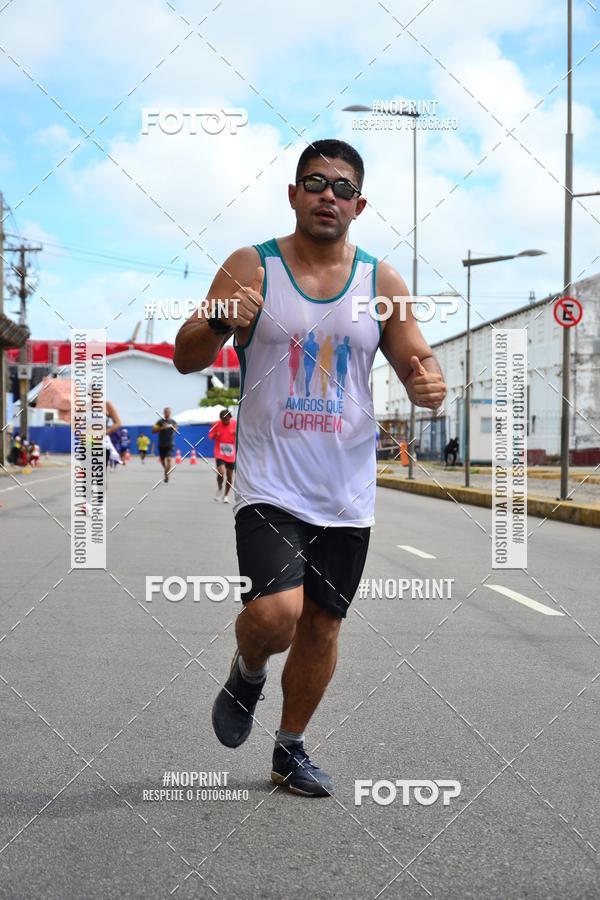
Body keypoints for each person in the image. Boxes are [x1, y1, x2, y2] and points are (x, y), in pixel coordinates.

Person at [174, 139, 446, 798]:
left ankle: (289, 749)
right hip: (270, 480)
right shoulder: (253, 266)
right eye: (315, 182)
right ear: (294, 195)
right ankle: (247, 669)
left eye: (342, 186)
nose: (329, 194)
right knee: (276, 615)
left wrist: (427, 381)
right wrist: (215, 319)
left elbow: (416, 359)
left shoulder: (382, 283)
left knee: (322, 623)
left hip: (346, 489)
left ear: (359, 203)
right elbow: (187, 356)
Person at [208, 409, 237, 503]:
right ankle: (220, 488)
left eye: (228, 419)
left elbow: (242, 434)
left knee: (229, 476)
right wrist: (215, 434)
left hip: (231, 453)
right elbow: (210, 436)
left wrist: (236, 434)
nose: (226, 421)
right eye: (224, 419)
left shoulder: (235, 423)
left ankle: (226, 495)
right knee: (221, 472)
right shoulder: (216, 424)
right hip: (219, 452)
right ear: (221, 419)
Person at [152, 407, 177, 483]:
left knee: (169, 459)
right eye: (165, 412)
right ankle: (166, 471)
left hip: (170, 443)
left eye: (168, 412)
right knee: (163, 461)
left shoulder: (173, 421)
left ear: (170, 413)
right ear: (163, 412)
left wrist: (172, 427)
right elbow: (153, 431)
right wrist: (162, 428)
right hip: (162, 444)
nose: (167, 413)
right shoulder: (159, 422)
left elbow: (176, 430)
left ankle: (166, 474)